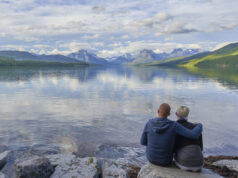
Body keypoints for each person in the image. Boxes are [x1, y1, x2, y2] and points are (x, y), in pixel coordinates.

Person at [174, 106, 204, 172]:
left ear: (176, 114)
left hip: (185, 163)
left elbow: (173, 148)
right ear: (187, 114)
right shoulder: (196, 129)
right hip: (200, 163)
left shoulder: (174, 127)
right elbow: (201, 148)